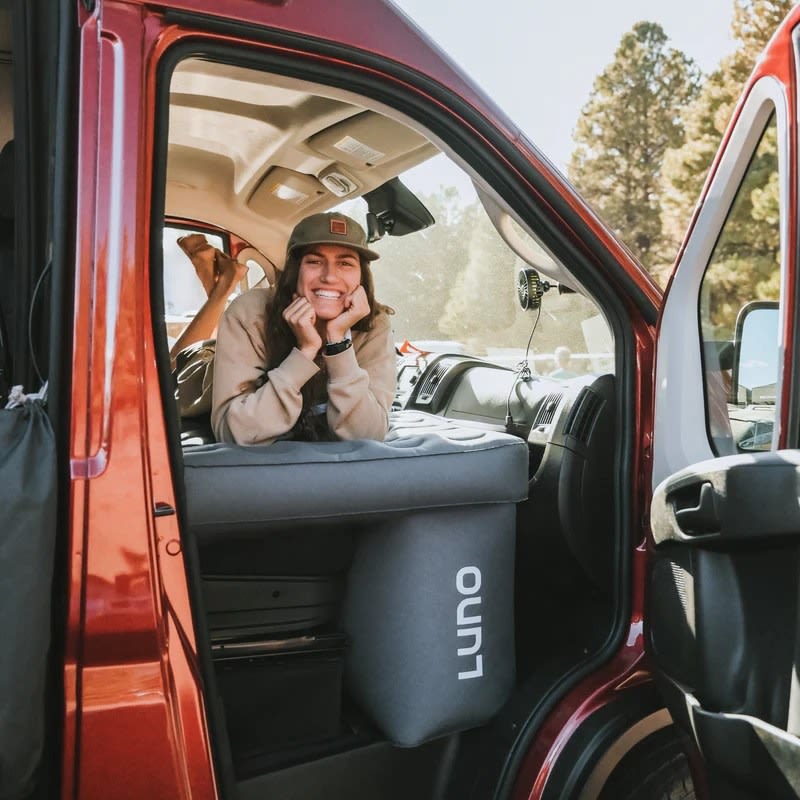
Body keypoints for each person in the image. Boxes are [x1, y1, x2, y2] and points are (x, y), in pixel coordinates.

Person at [210, 211, 396, 446]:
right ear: (295, 270)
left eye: (345, 263)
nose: (329, 277)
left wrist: (338, 344)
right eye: (315, 262)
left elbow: (368, 437)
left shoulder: (374, 323)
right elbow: (235, 435)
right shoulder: (249, 314)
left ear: (362, 276)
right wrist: (305, 352)